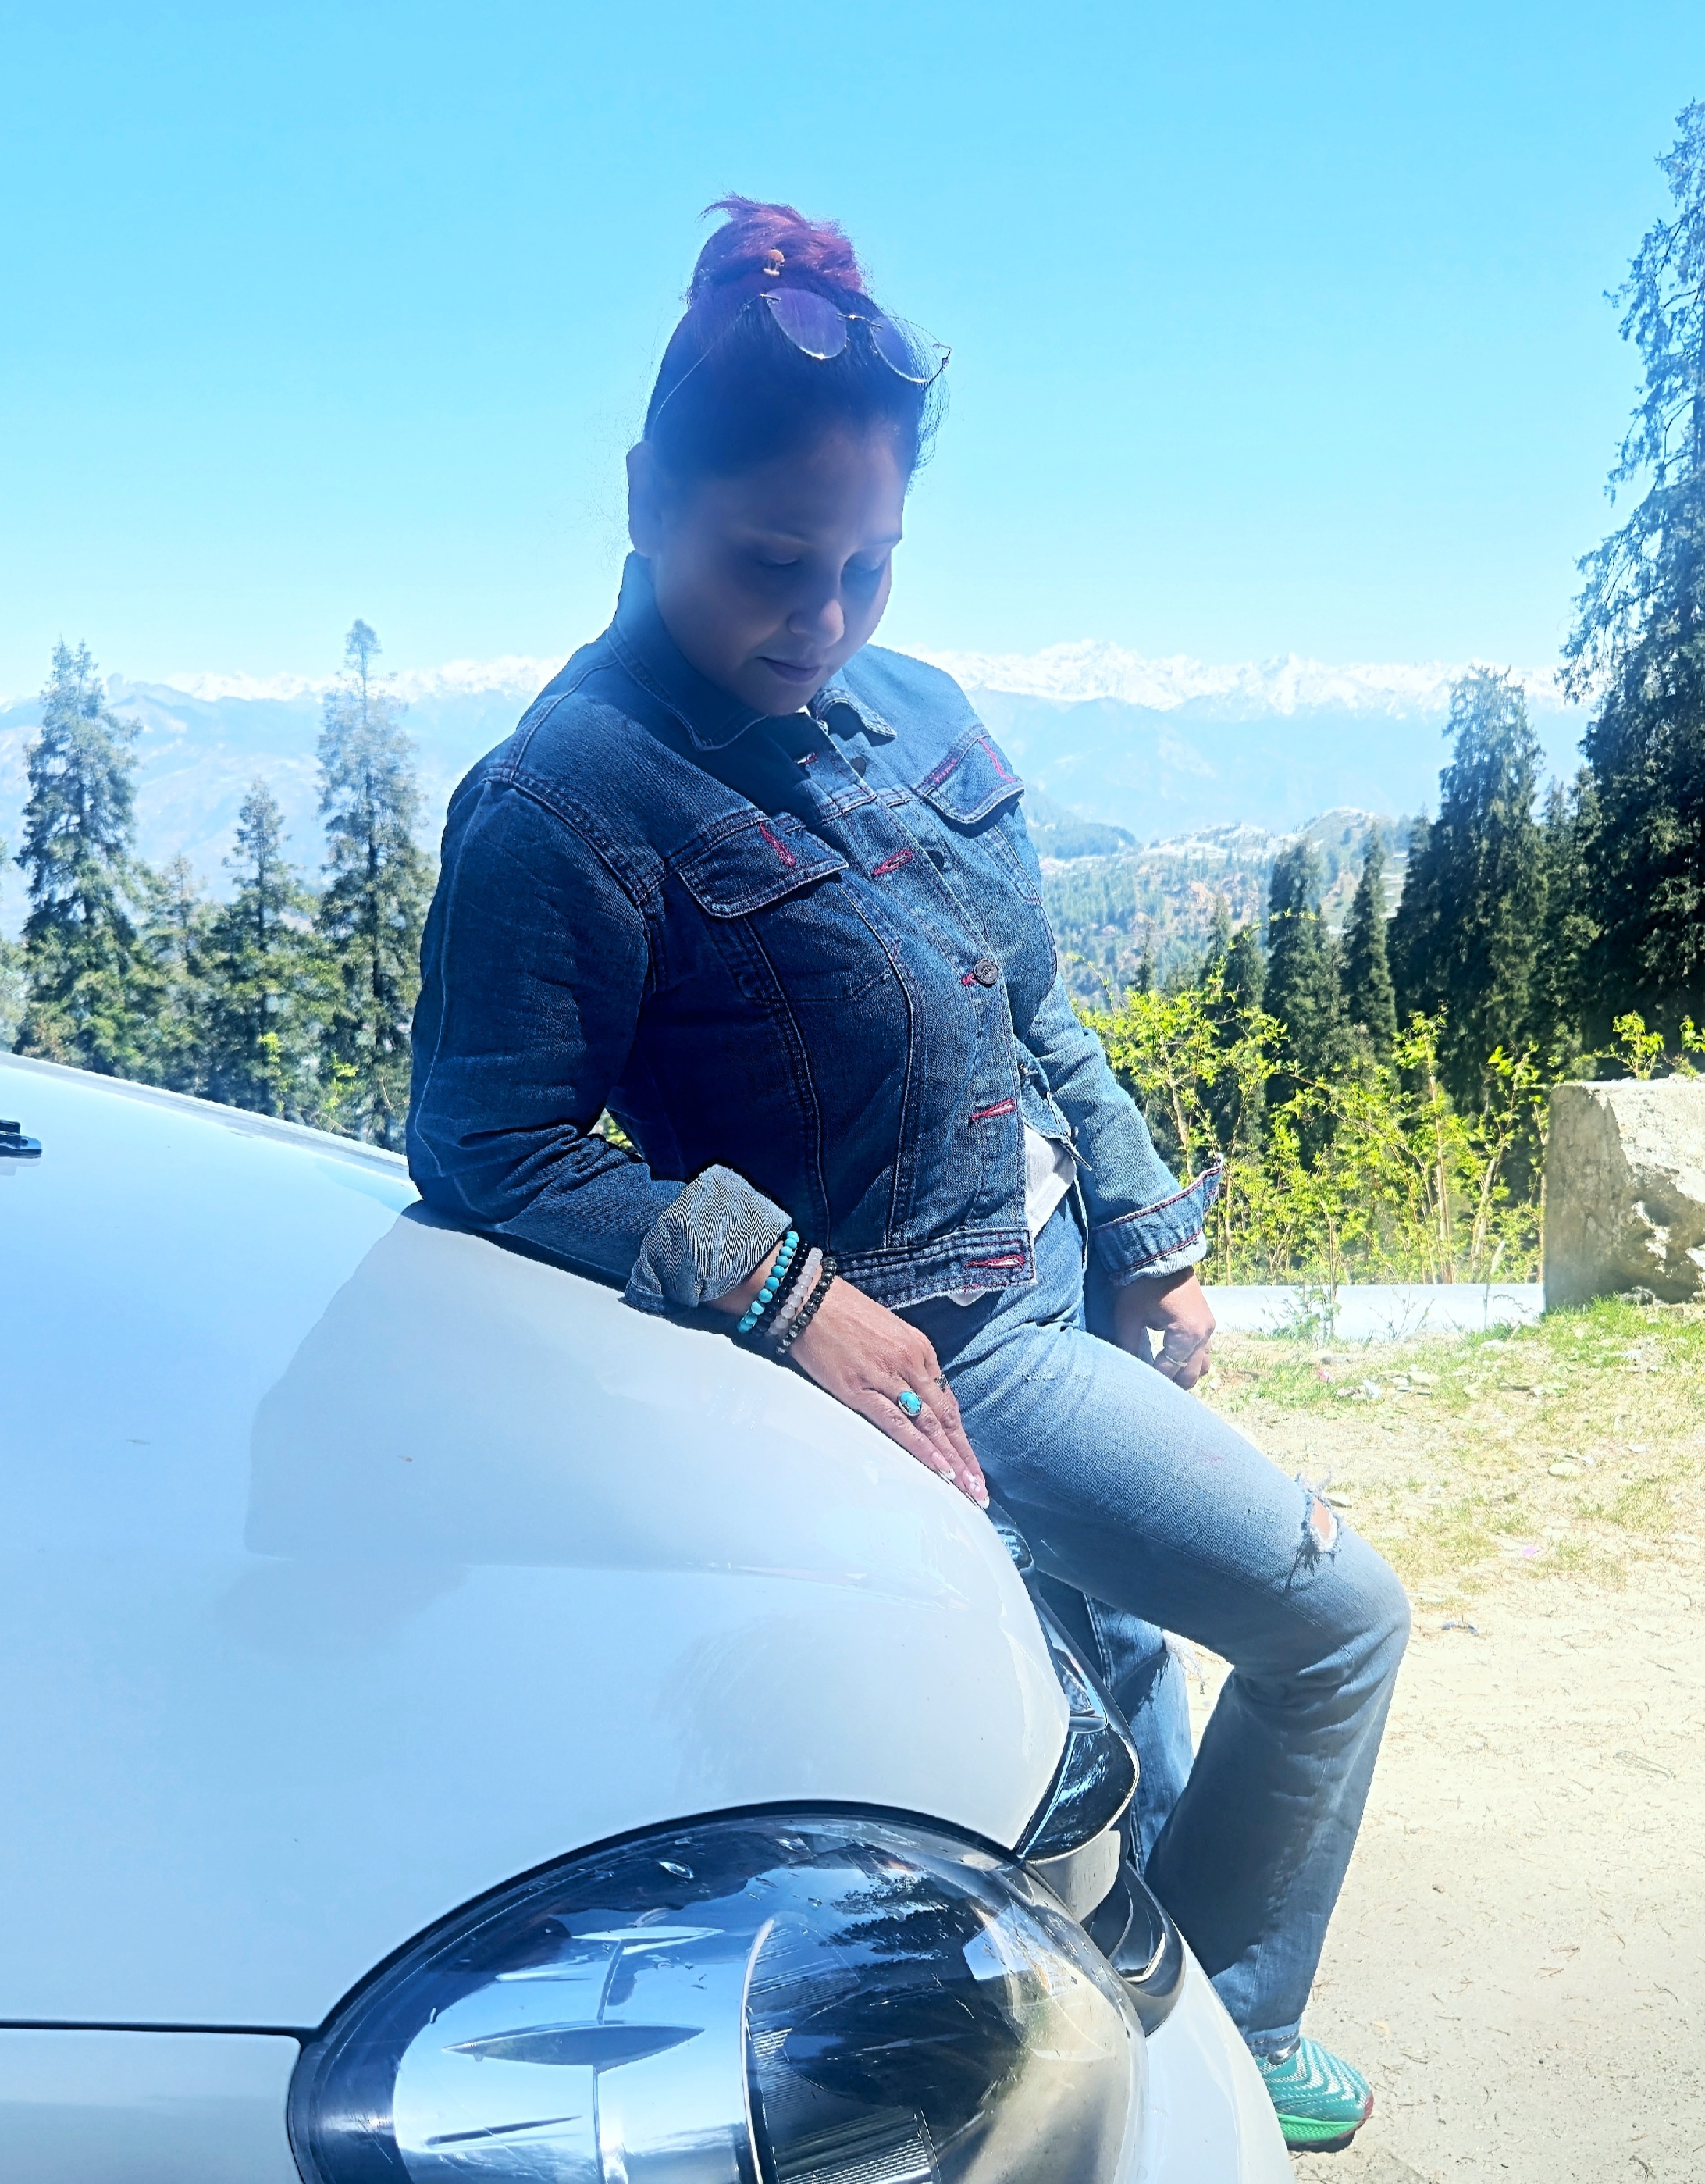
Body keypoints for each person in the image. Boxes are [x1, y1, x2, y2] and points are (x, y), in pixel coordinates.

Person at [408, 196, 1408, 2155]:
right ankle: (1218, 2062)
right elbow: (484, 1144)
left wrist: (1150, 1236)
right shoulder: (557, 799)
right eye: (771, 564)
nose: (823, 620)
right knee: (1338, 1620)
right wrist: (782, 1288)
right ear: (640, 496)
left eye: (867, 566)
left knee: (1123, 1680)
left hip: (1056, 1283)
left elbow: (1040, 1005)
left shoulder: (914, 703)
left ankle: (1174, 2011)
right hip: (941, 1353)